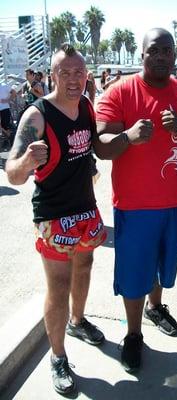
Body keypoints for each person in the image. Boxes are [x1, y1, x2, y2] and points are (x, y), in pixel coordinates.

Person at [94, 28, 177, 373]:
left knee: (161, 267)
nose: (161, 56)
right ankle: (134, 335)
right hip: (135, 205)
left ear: (174, 55)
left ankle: (156, 307)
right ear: (142, 54)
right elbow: (101, 146)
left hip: (173, 202)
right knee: (135, 273)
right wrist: (128, 136)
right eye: (154, 50)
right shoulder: (119, 91)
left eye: (167, 50)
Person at [5, 44, 107, 395]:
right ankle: (58, 355)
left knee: (85, 267)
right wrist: (26, 162)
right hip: (53, 214)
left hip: (85, 208)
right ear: (52, 74)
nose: (73, 78)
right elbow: (12, 175)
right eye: (65, 72)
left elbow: (92, 150)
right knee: (58, 285)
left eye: (79, 72)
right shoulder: (37, 115)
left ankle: (78, 322)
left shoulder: (86, 107)